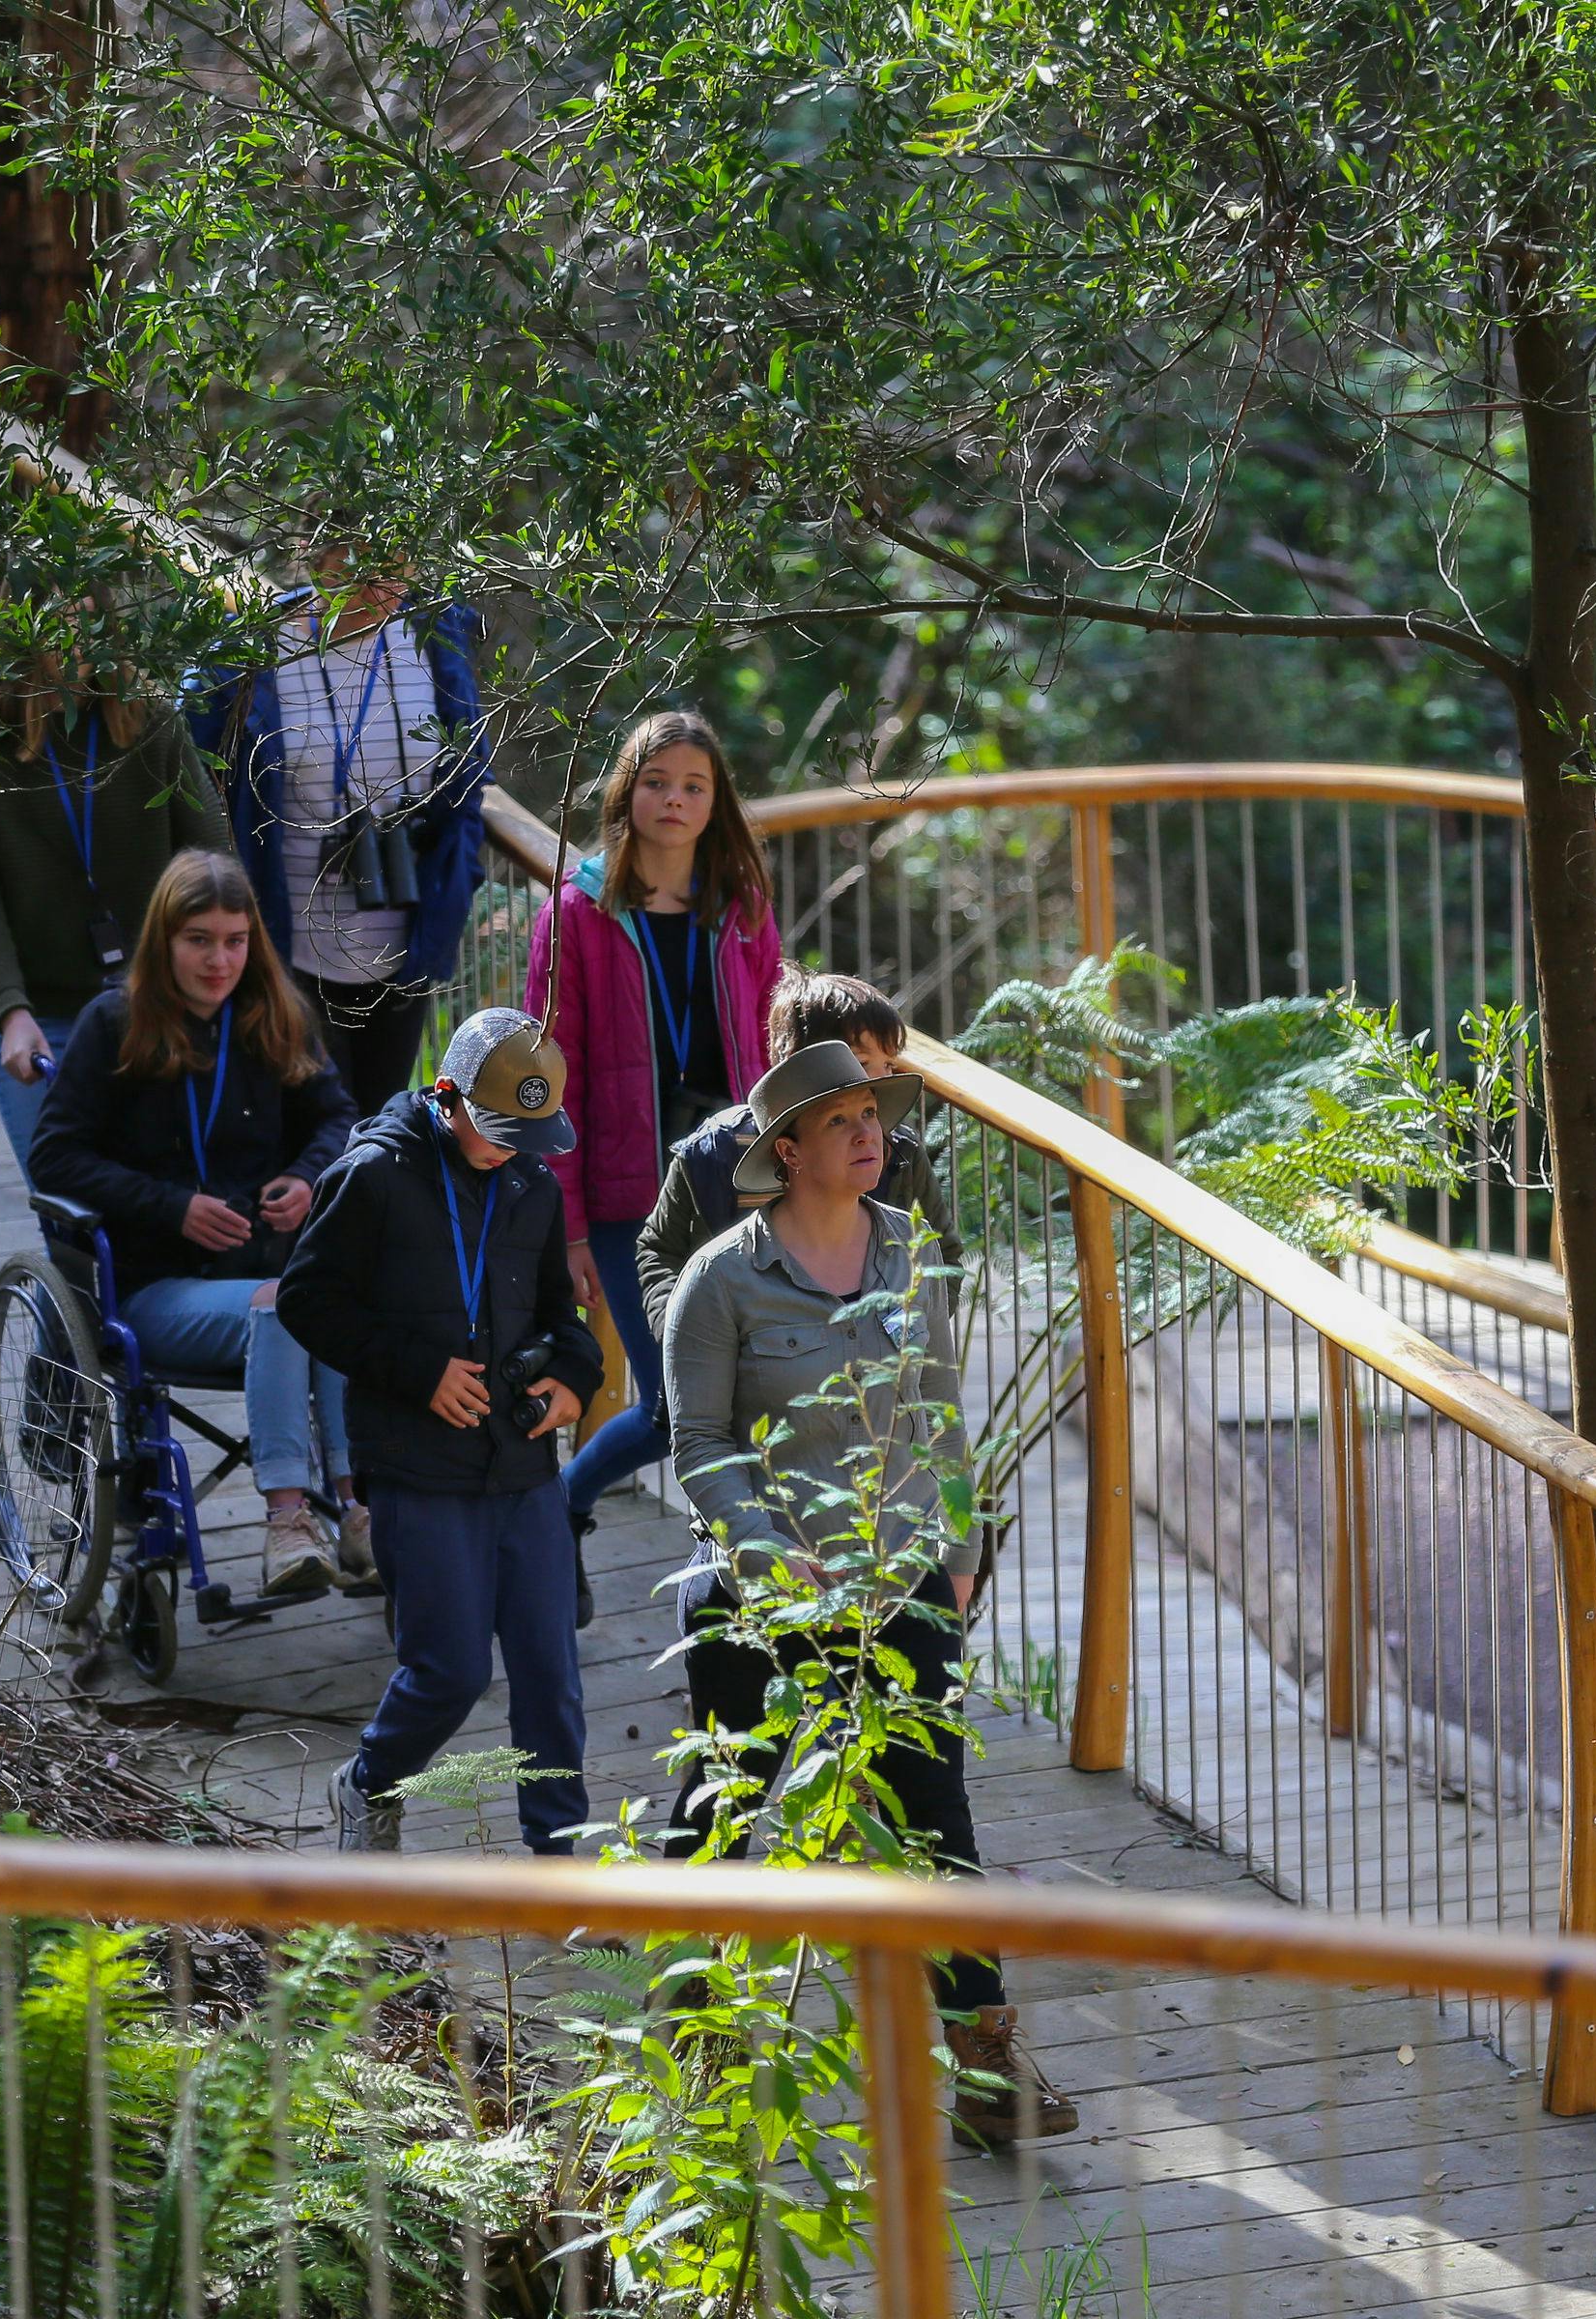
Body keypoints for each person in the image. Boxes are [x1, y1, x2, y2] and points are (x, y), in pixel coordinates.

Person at [659, 1039, 1073, 2147]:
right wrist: (761, 1545)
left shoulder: (907, 1249)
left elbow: (939, 1407)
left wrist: (964, 1541)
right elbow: (696, 1442)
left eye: (874, 1116)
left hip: (902, 1590)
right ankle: (690, 2048)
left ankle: (988, 2076)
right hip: (762, 1599)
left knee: (938, 1821)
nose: (869, 1135)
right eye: (843, 1122)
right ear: (786, 1153)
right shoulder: (720, 1279)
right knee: (723, 1812)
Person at [276, 1008, 601, 1854]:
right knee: (450, 1671)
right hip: (416, 1466)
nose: (510, 1148)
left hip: (524, 1466)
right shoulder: (374, 1176)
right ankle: (370, 1782)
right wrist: (420, 1373)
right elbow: (308, 1301)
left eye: (528, 1133)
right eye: (496, 1129)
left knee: (549, 1673)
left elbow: (556, 1318)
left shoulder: (533, 1182)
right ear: (445, 1095)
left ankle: (558, 1856)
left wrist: (575, 1379)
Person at [28, 851, 368, 1604]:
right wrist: (169, 1205)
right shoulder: (113, 1023)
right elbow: (54, 1157)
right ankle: (287, 1519)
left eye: (236, 941)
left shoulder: (275, 1016)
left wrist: (308, 1179)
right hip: (158, 1285)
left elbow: (339, 1118)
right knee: (288, 1308)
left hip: (271, 1261)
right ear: (164, 941)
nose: (220, 961)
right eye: (199, 940)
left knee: (337, 1297)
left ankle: (356, 1506)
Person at [525, 709, 784, 1618]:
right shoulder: (576, 915)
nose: (673, 800)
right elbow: (545, 1082)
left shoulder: (742, 910)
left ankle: (750, 1578)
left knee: (750, 1391)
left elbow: (773, 1047)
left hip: (740, 1184)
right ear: (625, 795)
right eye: (656, 782)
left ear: (717, 805)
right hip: (631, 1201)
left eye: (694, 786)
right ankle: (566, 1503)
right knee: (676, 1409)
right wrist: (568, 1227)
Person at [195, 546, 499, 1113]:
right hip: (289, 944)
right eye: (353, 553)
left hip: (405, 936)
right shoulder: (254, 645)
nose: (374, 576)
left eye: (394, 556)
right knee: (313, 1130)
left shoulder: (436, 630)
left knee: (381, 1128)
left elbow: (469, 775)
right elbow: (194, 768)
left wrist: (460, 881)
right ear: (311, 554)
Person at [0, 649, 233, 1180]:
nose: (75, 646)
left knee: (168, 1189)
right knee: (69, 1208)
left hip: (154, 1005)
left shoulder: (151, 724)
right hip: (41, 1011)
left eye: (86, 625)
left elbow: (214, 865)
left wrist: (215, 985)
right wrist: (10, 1010)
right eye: (58, 627)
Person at [636, 971, 947, 1340]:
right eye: (862, 1065)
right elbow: (658, 1250)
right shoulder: (712, 1152)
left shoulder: (899, 1154)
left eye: (889, 1066)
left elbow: (941, 1254)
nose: (878, 1084)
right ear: (795, 1063)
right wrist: (686, 1334)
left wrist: (905, 1335)